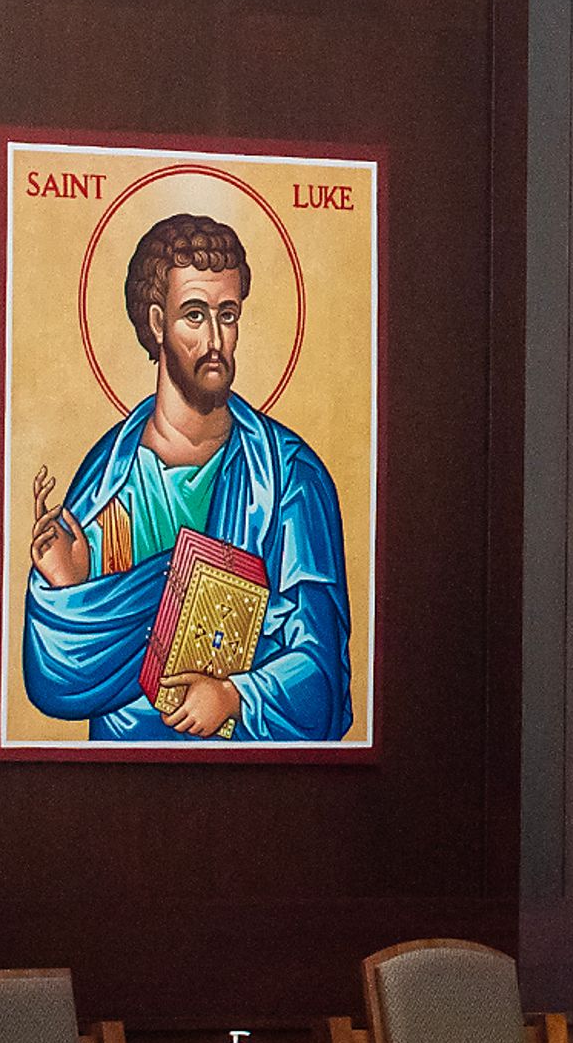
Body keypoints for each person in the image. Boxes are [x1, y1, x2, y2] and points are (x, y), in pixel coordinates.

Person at [24, 213, 354, 740]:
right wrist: (65, 588)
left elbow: (323, 675)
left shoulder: (290, 476)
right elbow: (54, 681)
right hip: (117, 776)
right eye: (194, 316)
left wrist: (235, 695)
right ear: (157, 323)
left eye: (228, 314)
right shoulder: (109, 477)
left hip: (249, 778)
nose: (217, 341)